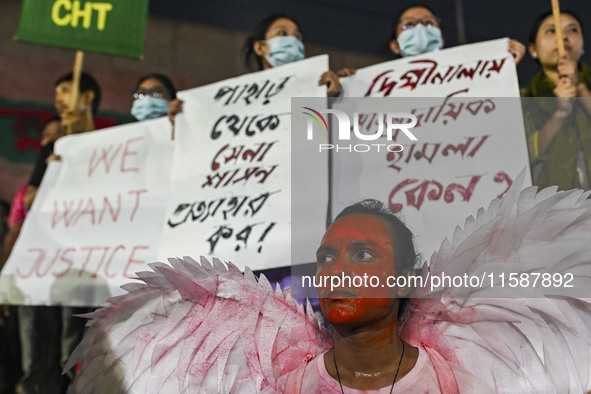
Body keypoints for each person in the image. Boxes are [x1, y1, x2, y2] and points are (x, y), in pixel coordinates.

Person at [284, 199, 488, 392]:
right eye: (326, 258)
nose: (335, 271)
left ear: (404, 282)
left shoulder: (465, 388)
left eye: (362, 255)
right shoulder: (285, 389)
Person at [18, 72, 101, 394]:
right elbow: (28, 201)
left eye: (65, 90)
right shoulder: (54, 147)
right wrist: (55, 172)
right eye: (56, 92)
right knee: (38, 347)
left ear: (88, 96)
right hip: (45, 258)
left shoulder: (111, 144)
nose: (58, 98)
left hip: (87, 261)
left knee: (74, 348)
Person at [168, 13, 342, 120]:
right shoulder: (235, 99)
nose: (292, 41)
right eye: (282, 33)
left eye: (297, 37)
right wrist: (184, 119)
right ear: (260, 47)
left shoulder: (321, 87)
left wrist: (343, 95)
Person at [521, 10, 591, 190]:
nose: (563, 37)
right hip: (555, 210)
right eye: (551, 31)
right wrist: (560, 115)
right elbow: (522, 153)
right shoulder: (523, 100)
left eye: (573, 30)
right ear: (533, 50)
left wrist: (580, 86)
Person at [389, 5, 525, 62]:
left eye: (428, 23)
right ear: (395, 45)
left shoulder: (467, 73)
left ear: (441, 38)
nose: (420, 28)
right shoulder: (377, 88)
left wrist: (505, 66)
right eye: (409, 25)